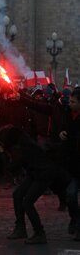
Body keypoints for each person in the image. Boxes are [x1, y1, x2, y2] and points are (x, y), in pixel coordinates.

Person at [0, 124, 70, 244]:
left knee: (27, 203)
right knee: (18, 194)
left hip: (43, 173)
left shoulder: (18, 147)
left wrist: (3, 152)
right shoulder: (23, 140)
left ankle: (39, 233)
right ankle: (20, 228)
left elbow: (13, 167)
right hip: (36, 172)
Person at [60, 89, 80, 240]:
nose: (70, 103)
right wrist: (62, 133)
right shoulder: (67, 114)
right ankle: (74, 218)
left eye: (73, 101)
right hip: (72, 164)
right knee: (71, 195)